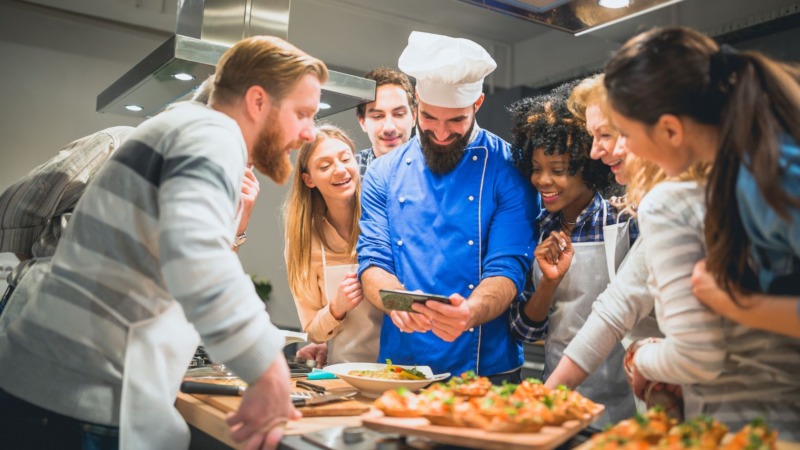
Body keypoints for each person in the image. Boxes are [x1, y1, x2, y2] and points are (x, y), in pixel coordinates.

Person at [0, 35, 327, 450]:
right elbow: (198, 257)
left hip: (54, 391)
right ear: (258, 101)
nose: (308, 132)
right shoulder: (213, 135)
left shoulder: (178, 127)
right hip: (77, 403)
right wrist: (269, 371)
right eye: (302, 113)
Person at [604, 25, 800, 437]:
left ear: (671, 130)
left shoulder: (770, 177)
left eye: (627, 133)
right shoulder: (744, 172)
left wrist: (737, 304)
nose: (628, 150)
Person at [357, 31, 539, 383]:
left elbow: (509, 265)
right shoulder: (383, 172)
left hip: (488, 369)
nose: (440, 133)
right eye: (428, 118)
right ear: (416, 106)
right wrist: (398, 301)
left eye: (455, 120)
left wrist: (470, 311)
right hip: (401, 366)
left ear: (477, 104)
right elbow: (373, 261)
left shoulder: (510, 168)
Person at [506, 82, 633, 427]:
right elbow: (524, 332)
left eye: (558, 170)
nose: (542, 180)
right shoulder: (537, 228)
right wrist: (548, 283)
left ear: (590, 167)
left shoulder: (624, 222)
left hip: (623, 410)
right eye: (536, 168)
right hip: (557, 403)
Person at [284, 124, 382, 364]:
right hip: (345, 371)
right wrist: (336, 308)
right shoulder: (304, 240)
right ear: (308, 179)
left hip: (401, 366)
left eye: (345, 158)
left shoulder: (382, 217)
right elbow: (312, 330)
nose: (340, 170)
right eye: (325, 166)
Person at [355, 67, 417, 175]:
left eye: (399, 114)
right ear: (362, 122)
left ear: (413, 116)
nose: (389, 128)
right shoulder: (349, 172)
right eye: (377, 116)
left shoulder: (435, 167)